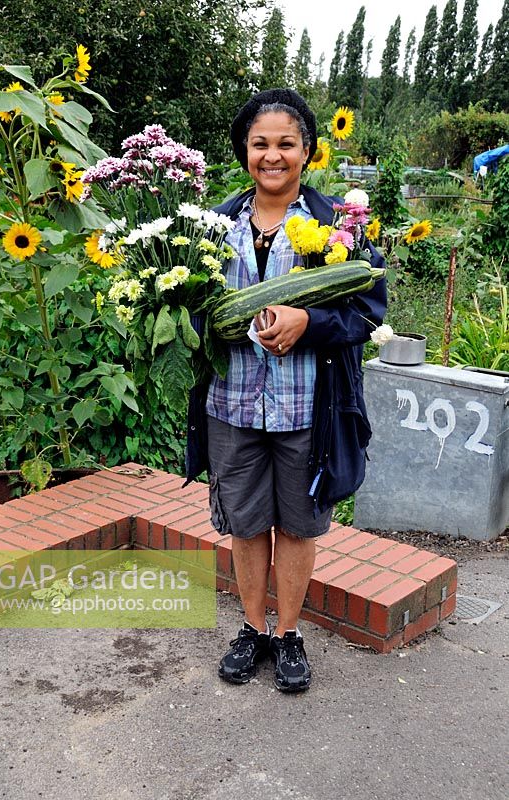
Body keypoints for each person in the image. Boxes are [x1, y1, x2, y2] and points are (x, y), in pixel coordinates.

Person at [185, 88, 387, 693]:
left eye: (286, 144)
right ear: (245, 152)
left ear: (308, 151)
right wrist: (203, 322)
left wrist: (311, 323)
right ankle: (252, 629)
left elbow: (369, 310)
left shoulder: (339, 227)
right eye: (260, 144)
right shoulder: (211, 227)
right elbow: (190, 308)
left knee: (298, 526)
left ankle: (289, 633)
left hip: (307, 408)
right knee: (246, 525)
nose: (273, 156)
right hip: (233, 403)